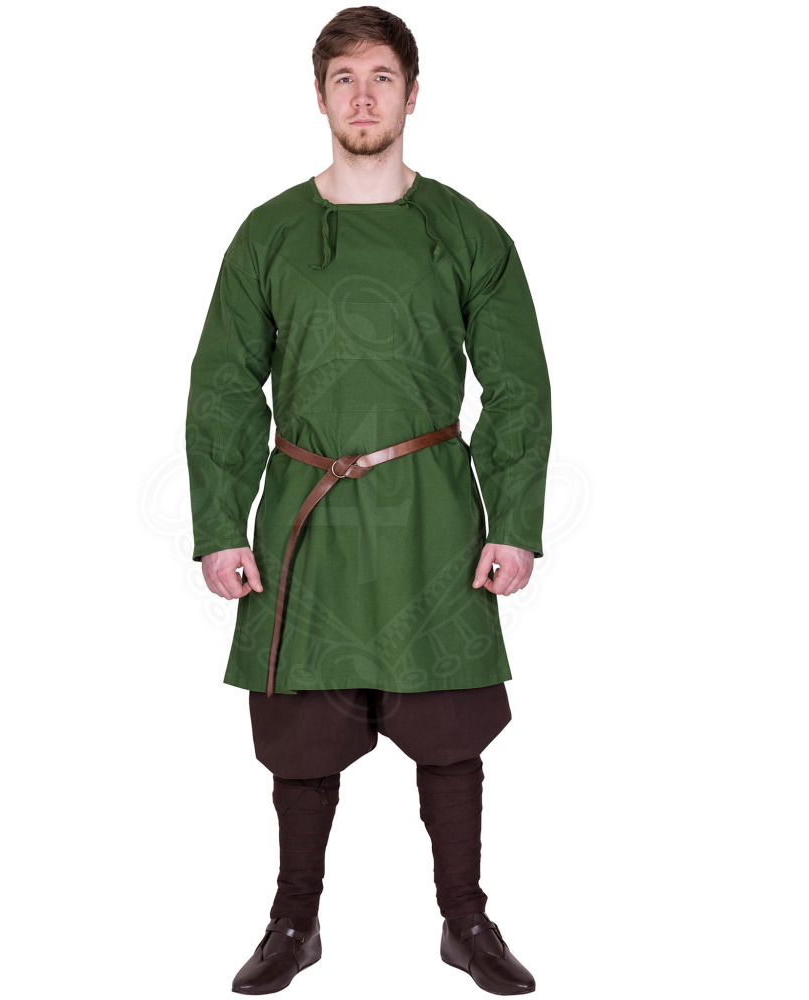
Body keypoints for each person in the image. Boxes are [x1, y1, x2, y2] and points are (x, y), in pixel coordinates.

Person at [185, 7, 551, 994]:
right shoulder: (269, 234)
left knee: (451, 726)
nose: (362, 96)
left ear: (412, 94)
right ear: (319, 96)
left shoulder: (465, 233)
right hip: (305, 514)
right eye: (343, 78)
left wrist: (515, 521)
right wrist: (219, 526)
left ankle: (465, 920)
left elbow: (518, 385)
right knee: (301, 733)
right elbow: (224, 386)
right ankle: (292, 921)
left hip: (432, 513)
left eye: (381, 77)